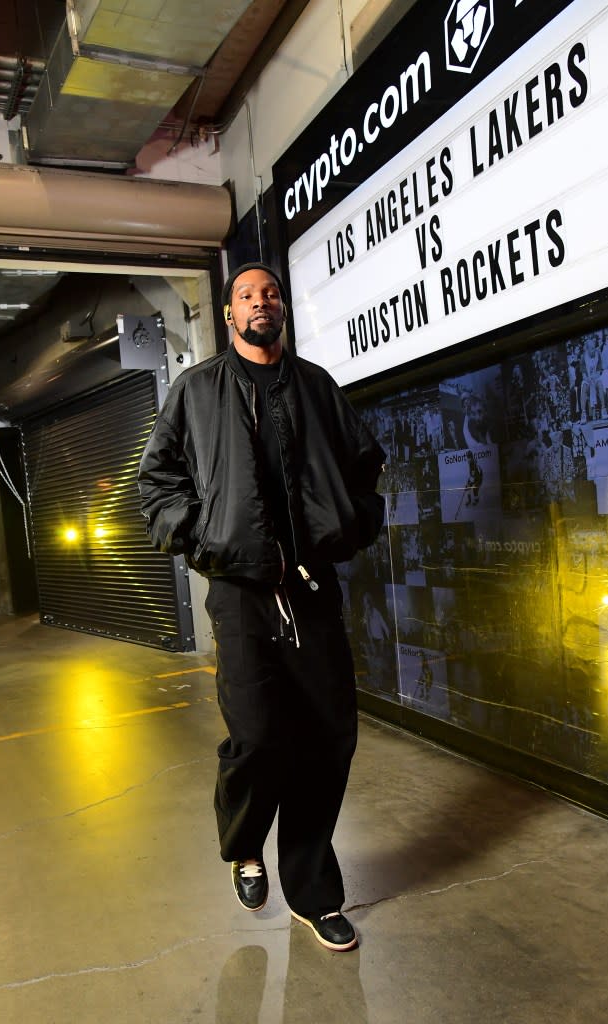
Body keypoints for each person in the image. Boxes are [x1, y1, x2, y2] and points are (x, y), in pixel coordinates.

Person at [137, 262, 385, 952]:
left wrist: (353, 523)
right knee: (257, 737)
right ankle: (246, 846)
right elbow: (156, 481)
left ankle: (312, 891)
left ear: (282, 309)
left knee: (328, 735)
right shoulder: (196, 391)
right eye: (246, 295)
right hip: (241, 594)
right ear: (228, 315)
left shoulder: (314, 387)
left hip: (310, 591)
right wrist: (203, 541)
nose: (260, 303)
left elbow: (365, 465)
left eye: (269, 293)